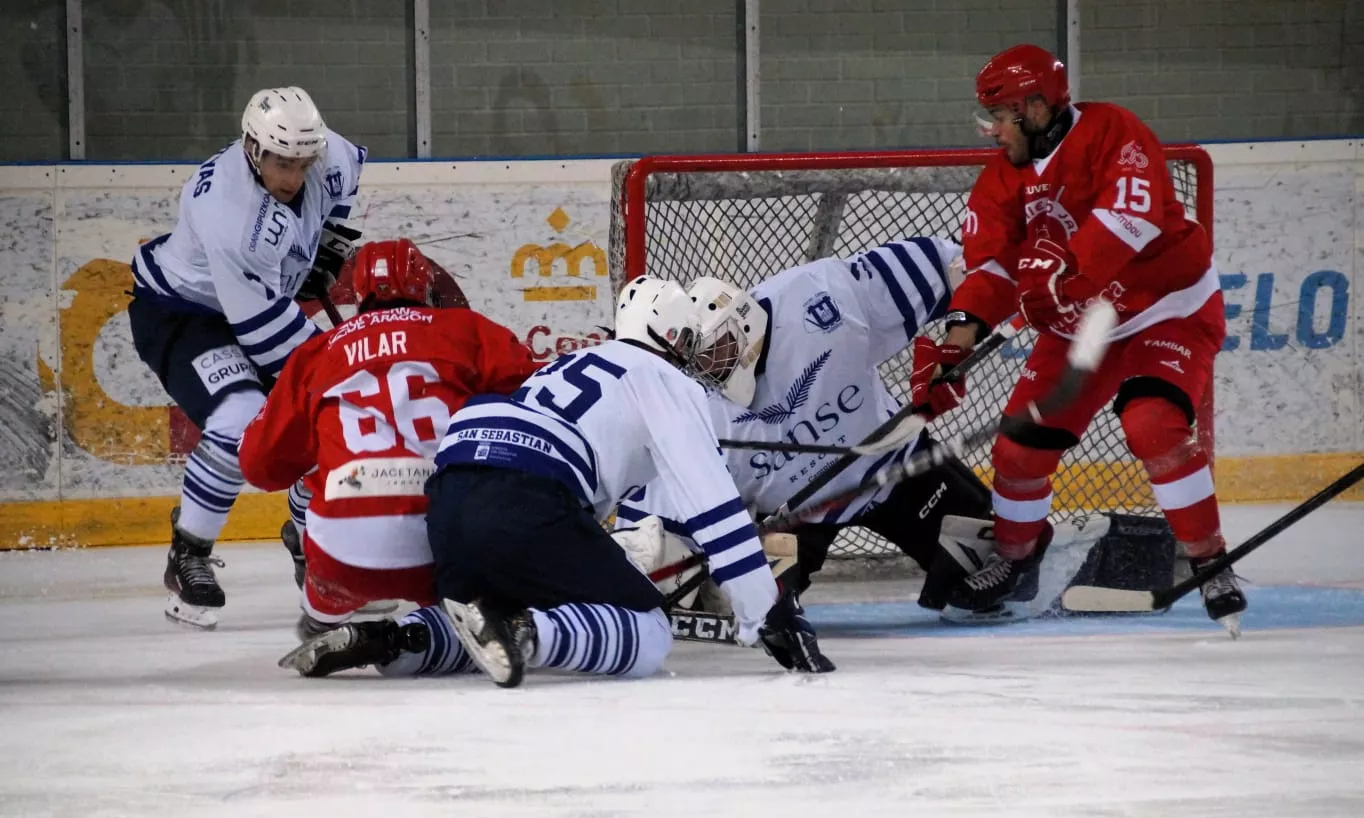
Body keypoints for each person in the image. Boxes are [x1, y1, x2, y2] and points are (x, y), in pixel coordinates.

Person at [282, 276, 792, 688]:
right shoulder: (665, 379)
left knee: (492, 611)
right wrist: (764, 614)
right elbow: (714, 508)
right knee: (650, 632)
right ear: (677, 339)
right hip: (526, 496)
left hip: (452, 495)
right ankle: (527, 633)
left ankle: (395, 640)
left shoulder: (563, 365)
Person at [916, 44, 1245, 633]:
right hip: (1081, 330)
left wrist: (1064, 271)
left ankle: (1209, 560)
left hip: (1164, 310)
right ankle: (1017, 560)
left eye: (1000, 115)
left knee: (1153, 424)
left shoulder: (1112, 130)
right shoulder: (998, 182)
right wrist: (957, 345)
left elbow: (1131, 219)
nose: (991, 130)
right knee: (1017, 449)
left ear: (1036, 107)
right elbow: (990, 269)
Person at [615, 238, 994, 637]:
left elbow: (959, 266)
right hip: (793, 516)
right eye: (701, 362)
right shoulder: (696, 405)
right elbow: (648, 522)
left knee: (989, 573)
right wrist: (653, 564)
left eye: (720, 351)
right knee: (764, 613)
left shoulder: (820, 294)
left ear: (743, 322)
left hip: (895, 467)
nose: (712, 371)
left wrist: (954, 351)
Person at [127, 86, 366, 629]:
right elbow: (260, 332)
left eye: (304, 163)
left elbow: (345, 181)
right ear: (253, 149)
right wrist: (332, 375)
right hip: (184, 313)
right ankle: (188, 553)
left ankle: (315, 546)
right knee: (242, 416)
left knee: (325, 423)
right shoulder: (228, 216)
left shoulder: (328, 153)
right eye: (283, 164)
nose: (295, 178)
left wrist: (327, 241)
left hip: (255, 302)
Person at [238, 238, 540, 641]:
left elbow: (259, 466)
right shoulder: (468, 331)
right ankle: (458, 617)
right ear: (427, 287)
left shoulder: (316, 353)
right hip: (446, 544)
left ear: (358, 293)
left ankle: (320, 613)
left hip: (341, 553)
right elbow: (536, 406)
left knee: (322, 485)